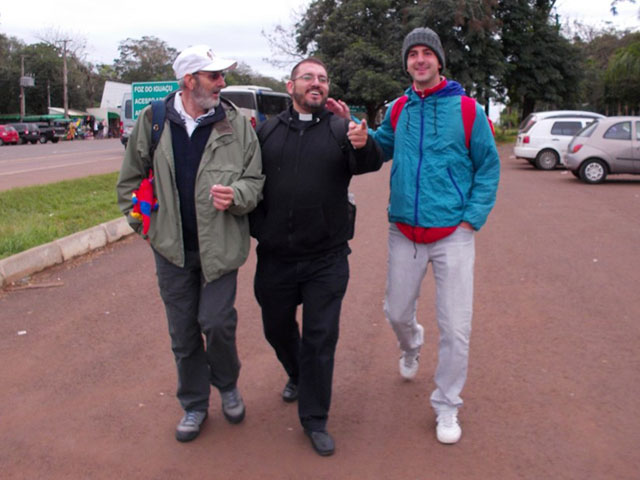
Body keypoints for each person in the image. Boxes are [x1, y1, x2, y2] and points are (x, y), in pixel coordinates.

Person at [328, 27, 500, 445]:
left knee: (456, 327)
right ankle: (411, 344)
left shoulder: (468, 110)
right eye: (412, 54)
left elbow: (488, 166)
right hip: (404, 229)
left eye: (427, 53)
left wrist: (471, 219)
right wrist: (359, 136)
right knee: (397, 312)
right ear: (407, 63)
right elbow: (381, 147)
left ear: (439, 61)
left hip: (453, 233)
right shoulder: (399, 108)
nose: (420, 60)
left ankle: (447, 403)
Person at [116, 45, 264, 443]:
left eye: (222, 76)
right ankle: (194, 404)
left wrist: (237, 195)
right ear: (189, 80)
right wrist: (147, 230)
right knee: (182, 333)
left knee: (216, 323)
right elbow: (130, 184)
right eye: (214, 76)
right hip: (171, 251)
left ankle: (227, 384)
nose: (222, 83)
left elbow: (254, 181)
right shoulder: (154, 121)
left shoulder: (236, 125)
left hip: (221, 249)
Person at [250, 58, 384, 456]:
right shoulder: (267, 131)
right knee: (276, 329)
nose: (316, 83)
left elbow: (368, 162)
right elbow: (249, 179)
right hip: (275, 257)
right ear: (290, 86)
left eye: (323, 79)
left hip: (326, 258)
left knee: (320, 338)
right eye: (308, 77)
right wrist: (259, 227)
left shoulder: (341, 129)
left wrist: (363, 142)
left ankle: (315, 418)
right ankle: (297, 373)